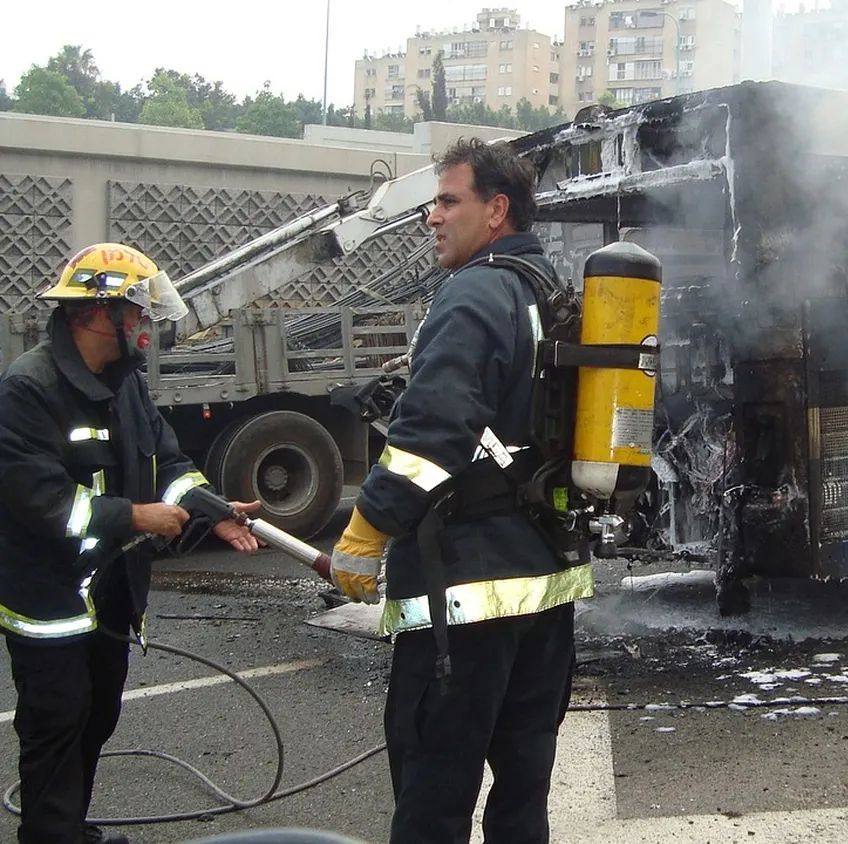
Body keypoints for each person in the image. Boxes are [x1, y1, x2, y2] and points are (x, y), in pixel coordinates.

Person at [327, 137, 594, 844]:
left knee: (433, 798)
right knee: (522, 799)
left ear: (496, 210)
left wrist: (367, 529)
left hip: (466, 595)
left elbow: (432, 431)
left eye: (448, 201)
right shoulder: (548, 292)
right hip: (547, 584)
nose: (432, 217)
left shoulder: (474, 292)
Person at [0, 243, 261, 844]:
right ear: (99, 313)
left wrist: (213, 514)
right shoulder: (28, 390)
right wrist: (137, 516)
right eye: (137, 312)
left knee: (97, 717)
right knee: (56, 725)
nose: (145, 324)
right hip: (50, 603)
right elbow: (45, 502)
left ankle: (71, 829)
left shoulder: (125, 384)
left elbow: (167, 462)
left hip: (111, 596)